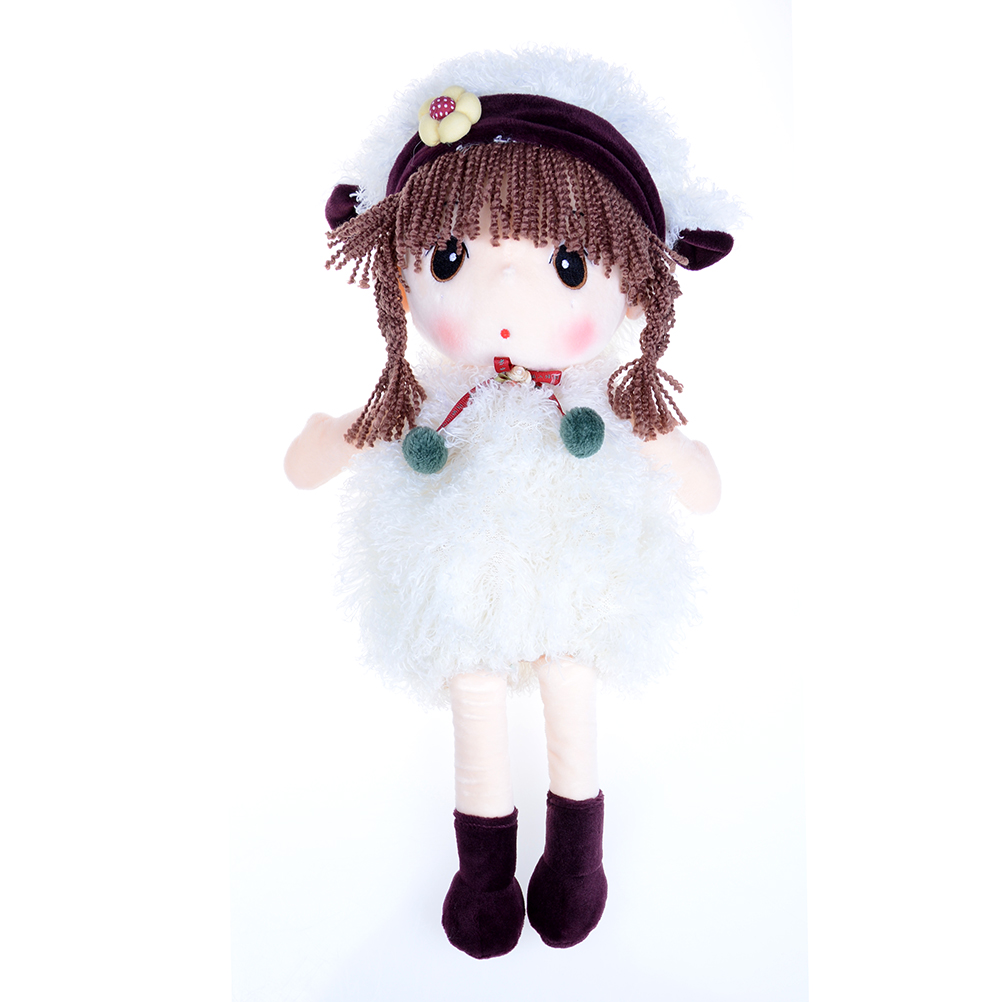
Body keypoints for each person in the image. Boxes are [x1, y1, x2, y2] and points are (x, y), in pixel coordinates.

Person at [284, 50, 735, 959]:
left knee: (570, 676)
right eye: (452, 256)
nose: (502, 296)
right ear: (402, 272)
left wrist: (672, 446)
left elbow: (703, 488)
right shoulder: (426, 397)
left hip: (576, 577)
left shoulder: (605, 402)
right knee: (476, 691)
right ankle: (484, 875)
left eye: (566, 263)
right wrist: (339, 433)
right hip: (465, 583)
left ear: (634, 287)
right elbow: (306, 467)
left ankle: (576, 861)